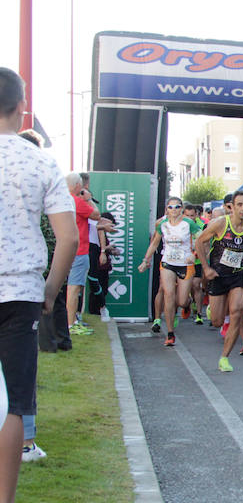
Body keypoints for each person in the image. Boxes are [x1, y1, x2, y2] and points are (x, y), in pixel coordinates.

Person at [0, 67, 78, 497]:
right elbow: (67, 238)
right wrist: (50, 291)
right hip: (21, 292)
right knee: (13, 404)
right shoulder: (40, 160)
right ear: (21, 106)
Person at [195, 191, 243, 371]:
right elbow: (199, 242)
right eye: (239, 204)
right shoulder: (220, 224)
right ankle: (212, 310)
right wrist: (206, 268)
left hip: (237, 275)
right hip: (218, 275)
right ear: (231, 206)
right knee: (217, 321)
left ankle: (224, 358)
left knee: (237, 312)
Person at [138, 197, 202, 346]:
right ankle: (170, 333)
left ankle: (187, 303)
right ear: (166, 209)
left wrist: (194, 254)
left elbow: (201, 239)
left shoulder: (189, 224)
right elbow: (154, 243)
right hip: (167, 263)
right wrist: (145, 260)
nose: (174, 210)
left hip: (185, 264)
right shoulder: (163, 224)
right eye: (171, 207)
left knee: (181, 300)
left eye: (177, 207)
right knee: (168, 295)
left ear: (181, 209)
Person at [64, 173, 102, 335]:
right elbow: (96, 214)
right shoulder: (77, 201)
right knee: (74, 288)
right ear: (78, 186)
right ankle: (71, 324)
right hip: (79, 250)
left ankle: (73, 319)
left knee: (75, 287)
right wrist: (88, 199)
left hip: (69, 249)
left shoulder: (65, 200)